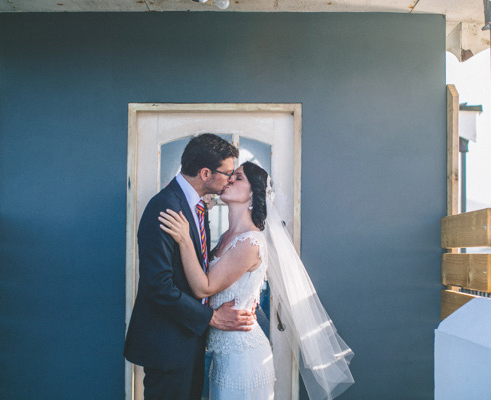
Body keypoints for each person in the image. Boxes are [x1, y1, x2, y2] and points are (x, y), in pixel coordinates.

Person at [159, 161, 355, 400]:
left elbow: (204, 287)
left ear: (253, 193)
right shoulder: (226, 237)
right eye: (230, 175)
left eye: (238, 177)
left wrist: (184, 240)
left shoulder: (251, 242)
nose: (229, 179)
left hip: (244, 359)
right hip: (222, 357)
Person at [124, 134, 256, 400]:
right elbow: (158, 286)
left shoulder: (197, 207)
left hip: (190, 341)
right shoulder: (165, 206)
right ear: (205, 173)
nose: (231, 179)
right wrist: (211, 317)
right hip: (167, 346)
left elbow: (201, 270)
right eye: (228, 173)